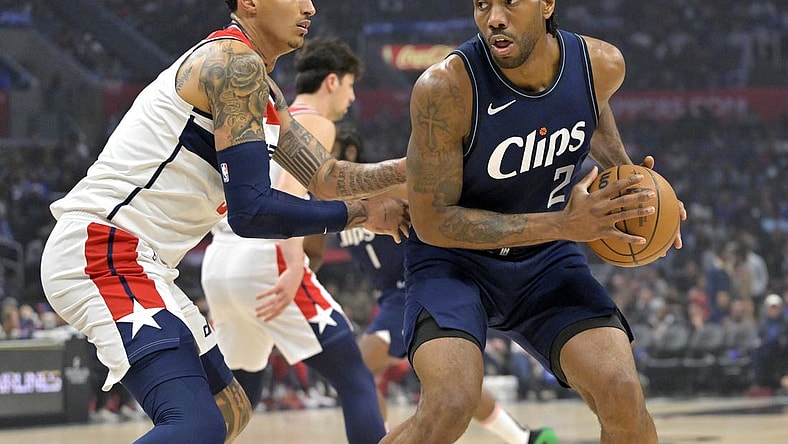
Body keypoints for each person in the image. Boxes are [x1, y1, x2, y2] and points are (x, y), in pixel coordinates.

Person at [39, 1, 408, 443]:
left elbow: (328, 178)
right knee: (196, 424)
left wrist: (414, 167)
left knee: (229, 410)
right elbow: (252, 211)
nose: (310, 6)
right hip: (103, 248)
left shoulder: (264, 88)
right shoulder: (233, 64)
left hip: (146, 262)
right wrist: (365, 211)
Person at [381, 1, 687, 443]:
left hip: (546, 263)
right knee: (450, 404)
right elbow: (433, 223)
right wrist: (563, 225)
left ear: (546, 4)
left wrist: (635, 192)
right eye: (482, 5)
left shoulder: (601, 65)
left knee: (621, 393)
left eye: (509, 2)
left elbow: (589, 110)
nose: (494, 18)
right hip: (455, 264)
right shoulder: (445, 87)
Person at [201, 36, 388, 443]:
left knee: (243, 393)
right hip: (268, 260)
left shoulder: (266, 116)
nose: (353, 98)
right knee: (354, 374)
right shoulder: (315, 122)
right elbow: (288, 190)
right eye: (352, 86)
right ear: (333, 82)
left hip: (220, 263)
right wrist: (292, 269)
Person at [330, 124, 557, 443]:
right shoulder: (330, 203)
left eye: (327, 147)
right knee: (451, 387)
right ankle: (525, 438)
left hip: (416, 287)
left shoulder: (388, 186)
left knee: (359, 370)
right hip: (390, 298)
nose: (320, 155)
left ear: (349, 153)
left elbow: (436, 202)